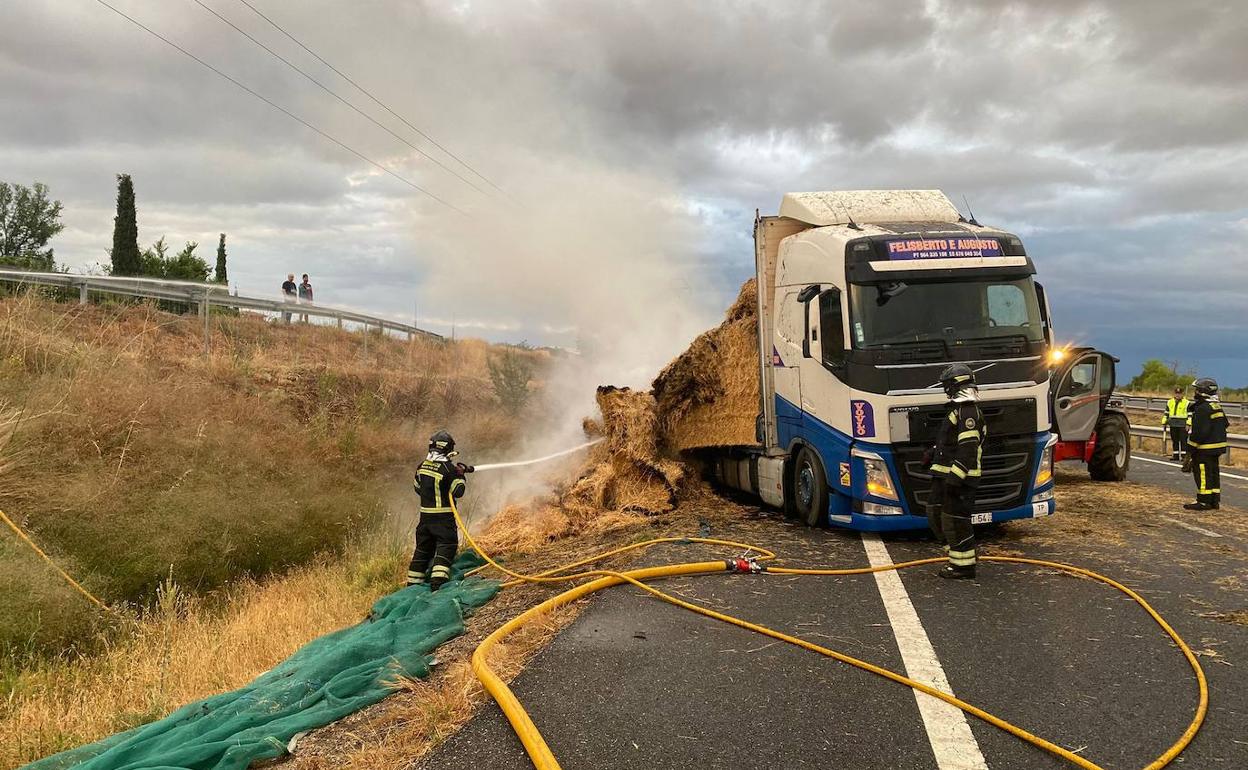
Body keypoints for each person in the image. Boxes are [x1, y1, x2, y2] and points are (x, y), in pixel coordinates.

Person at [924, 363, 985, 579]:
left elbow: (967, 450)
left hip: (961, 479)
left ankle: (963, 566)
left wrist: (955, 478)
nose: (945, 389)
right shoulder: (957, 410)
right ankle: (956, 553)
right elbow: (950, 442)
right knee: (935, 513)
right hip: (945, 475)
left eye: (947, 385)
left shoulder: (968, 412)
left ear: (956, 385)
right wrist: (933, 452)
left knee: (956, 521)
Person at [407, 430, 475, 590]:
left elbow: (418, 488)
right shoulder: (448, 469)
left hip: (425, 519)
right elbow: (459, 491)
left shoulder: (422, 466)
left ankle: (412, 584)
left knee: (423, 549)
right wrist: (460, 476)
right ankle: (437, 584)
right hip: (443, 519)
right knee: (447, 546)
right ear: (448, 449)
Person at [1182, 378, 1228, 511]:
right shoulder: (1216, 406)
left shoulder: (1202, 408)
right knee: (1213, 473)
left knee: (1202, 473)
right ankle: (1214, 500)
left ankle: (1203, 501)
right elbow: (1225, 423)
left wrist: (1190, 449)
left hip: (1204, 449)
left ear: (1202, 391)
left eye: (1196, 390)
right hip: (1217, 448)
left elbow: (1199, 432)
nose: (1195, 392)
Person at [1162, 385, 1190, 461]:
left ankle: (1184, 456)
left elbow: (1190, 415)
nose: (1178, 395)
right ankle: (1176, 455)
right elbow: (1166, 413)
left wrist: (1188, 424)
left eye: (1179, 393)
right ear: (1174, 394)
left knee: (1183, 440)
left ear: (1182, 394)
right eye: (1176, 393)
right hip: (1173, 423)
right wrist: (1164, 421)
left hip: (1182, 424)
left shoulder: (1187, 403)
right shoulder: (1170, 402)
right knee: (1175, 440)